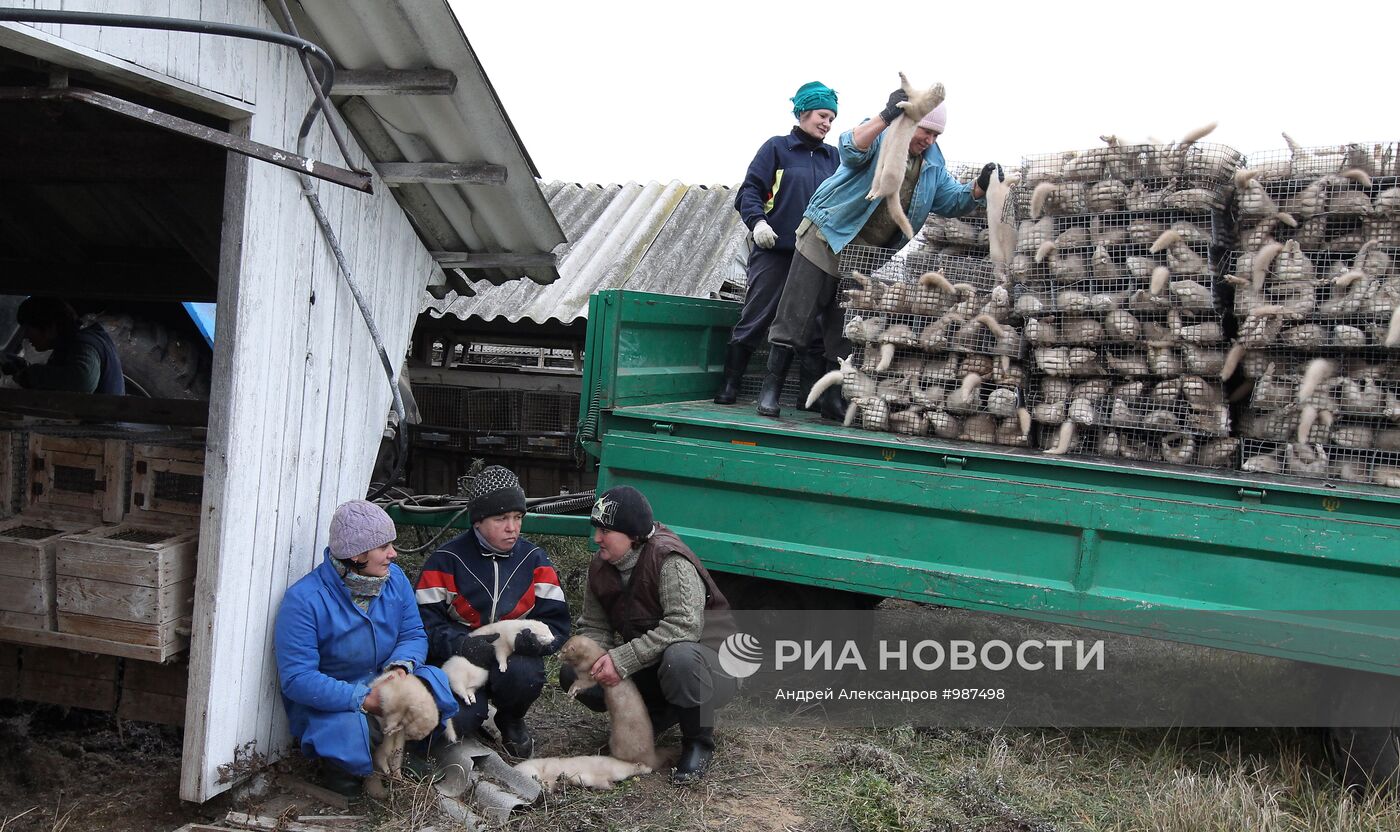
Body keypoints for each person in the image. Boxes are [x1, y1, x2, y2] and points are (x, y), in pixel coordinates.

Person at [757, 88, 1002, 419]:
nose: (929, 139)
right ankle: (770, 390)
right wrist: (887, 115)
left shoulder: (932, 166)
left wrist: (980, 186)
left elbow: (953, 200)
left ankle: (832, 399)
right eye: (925, 130)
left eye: (935, 134)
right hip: (826, 236)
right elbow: (849, 148)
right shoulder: (882, 137)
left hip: (865, 255)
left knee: (843, 329)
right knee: (795, 316)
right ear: (910, 122)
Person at [275, 499, 458, 798]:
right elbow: (297, 679)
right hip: (342, 696)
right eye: (384, 546)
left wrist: (401, 667)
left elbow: (413, 633)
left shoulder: (394, 579)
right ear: (357, 554)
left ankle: (408, 754)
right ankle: (343, 767)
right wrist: (364, 698)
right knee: (349, 732)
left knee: (434, 684)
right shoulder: (304, 601)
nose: (393, 554)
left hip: (386, 681)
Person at [561, 485, 738, 785]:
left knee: (679, 657)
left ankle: (698, 743)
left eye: (605, 531)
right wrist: (595, 660)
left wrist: (620, 660)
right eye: (596, 529)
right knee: (572, 671)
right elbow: (594, 626)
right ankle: (659, 715)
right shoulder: (601, 566)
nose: (597, 539)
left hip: (711, 665)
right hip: (655, 660)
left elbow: (684, 628)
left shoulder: (669, 561)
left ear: (631, 534)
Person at [414, 466, 569, 759]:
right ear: (478, 521)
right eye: (502, 519)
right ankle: (472, 713)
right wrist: (461, 644)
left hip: (509, 663)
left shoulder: (535, 562)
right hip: (459, 662)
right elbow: (422, 624)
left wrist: (531, 642)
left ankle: (510, 718)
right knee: (458, 721)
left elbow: (558, 624)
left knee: (525, 673)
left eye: (518, 518)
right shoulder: (445, 561)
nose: (513, 527)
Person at [715, 81, 841, 412]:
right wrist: (758, 223)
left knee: (812, 328)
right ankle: (729, 384)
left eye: (831, 118)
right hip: (777, 250)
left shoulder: (834, 159)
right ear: (803, 112)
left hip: (815, 256)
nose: (827, 123)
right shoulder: (777, 149)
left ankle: (807, 398)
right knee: (757, 315)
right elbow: (750, 191)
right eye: (822, 115)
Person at [0, 297, 125, 394]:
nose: (26, 336)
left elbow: (81, 382)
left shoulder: (85, 343)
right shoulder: (70, 344)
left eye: (28, 329)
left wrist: (34, 374)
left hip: (101, 426)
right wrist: (24, 369)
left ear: (50, 328)